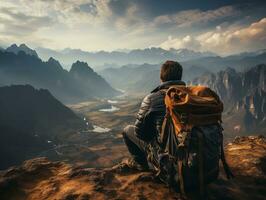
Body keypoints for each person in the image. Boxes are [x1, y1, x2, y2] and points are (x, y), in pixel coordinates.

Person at [122, 60, 185, 170]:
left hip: (172, 169)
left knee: (127, 130)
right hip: (202, 168)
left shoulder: (152, 98)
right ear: (180, 77)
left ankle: (142, 166)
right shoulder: (191, 97)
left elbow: (140, 134)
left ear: (161, 78)